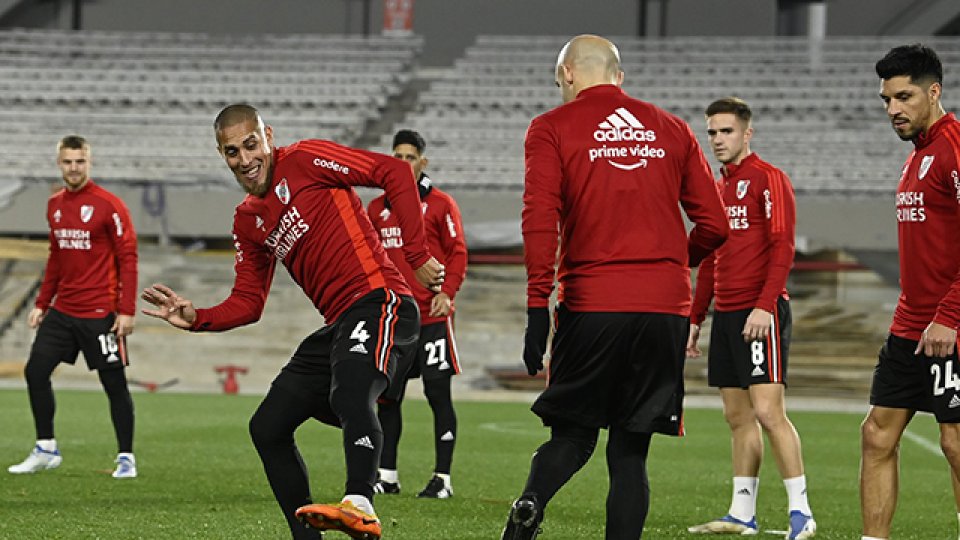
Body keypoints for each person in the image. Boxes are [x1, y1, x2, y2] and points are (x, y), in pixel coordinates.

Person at [140, 104, 444, 540]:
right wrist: (197, 317)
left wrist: (415, 255)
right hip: (340, 323)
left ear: (268, 136)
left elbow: (395, 171)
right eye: (231, 152)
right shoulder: (248, 220)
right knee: (267, 426)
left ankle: (360, 503)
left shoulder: (304, 160)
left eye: (250, 145)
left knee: (351, 390)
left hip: (382, 300)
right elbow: (248, 302)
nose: (244, 160)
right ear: (220, 154)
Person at [501, 35, 729, 540]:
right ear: (619, 77)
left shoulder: (550, 128)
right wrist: (672, 263)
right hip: (664, 309)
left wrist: (537, 304)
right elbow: (714, 224)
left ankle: (530, 504)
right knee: (630, 451)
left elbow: (540, 218)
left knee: (573, 435)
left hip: (593, 303)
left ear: (567, 75)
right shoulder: (674, 129)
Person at [685, 97, 815, 539]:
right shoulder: (716, 190)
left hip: (762, 312)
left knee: (768, 411)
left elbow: (783, 247)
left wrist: (763, 305)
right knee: (737, 416)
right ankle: (743, 514)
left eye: (726, 131)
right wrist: (696, 317)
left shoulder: (768, 179)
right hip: (726, 315)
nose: (718, 140)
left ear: (746, 133)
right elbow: (709, 258)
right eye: (712, 132)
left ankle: (802, 513)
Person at [860, 44, 960, 540]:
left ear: (934, 91)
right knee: (877, 433)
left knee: (956, 441)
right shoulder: (917, 155)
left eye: (903, 96)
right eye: (886, 99)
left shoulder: (955, 147)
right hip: (911, 324)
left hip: (951, 325)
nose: (892, 109)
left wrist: (950, 315)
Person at [7, 135, 139, 479]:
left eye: (80, 161)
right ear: (59, 163)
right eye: (68, 161)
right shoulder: (54, 205)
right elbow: (56, 258)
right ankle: (46, 448)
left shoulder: (109, 205)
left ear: (89, 162)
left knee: (114, 385)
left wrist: (126, 310)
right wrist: (41, 303)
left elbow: (128, 257)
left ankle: (126, 457)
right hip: (63, 311)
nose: (74, 167)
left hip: (100, 314)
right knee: (35, 372)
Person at [368, 129, 468, 499]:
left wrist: (447, 292)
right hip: (395, 320)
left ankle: (442, 478)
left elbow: (457, 252)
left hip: (431, 318)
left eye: (410, 157)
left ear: (422, 162)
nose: (404, 163)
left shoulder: (441, 204)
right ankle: (387, 475)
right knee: (387, 397)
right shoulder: (377, 209)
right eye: (398, 157)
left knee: (438, 395)